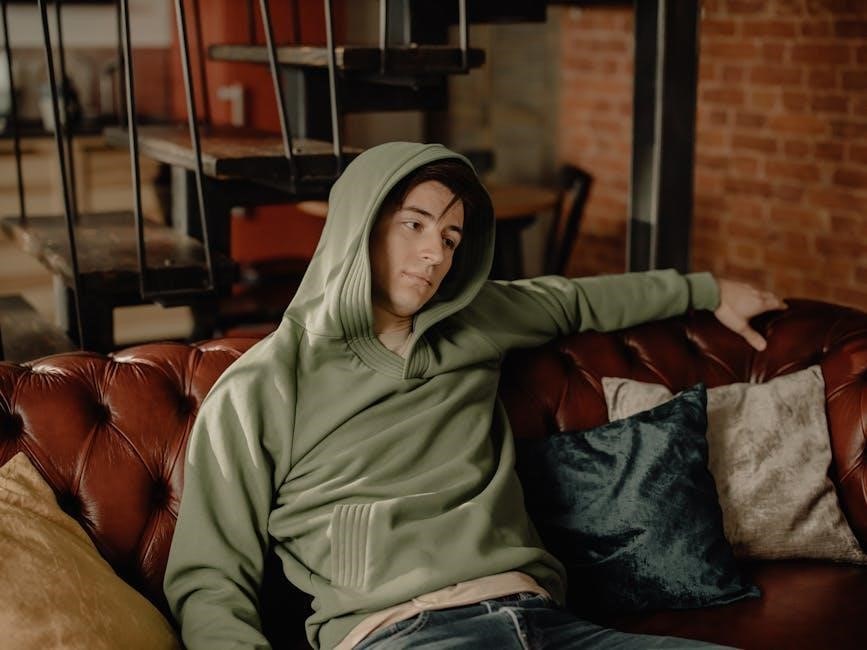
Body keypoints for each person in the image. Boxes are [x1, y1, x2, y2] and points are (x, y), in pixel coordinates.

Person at [164, 142, 785, 649]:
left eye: (451, 238)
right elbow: (209, 583)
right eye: (414, 224)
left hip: (546, 621)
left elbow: (577, 301)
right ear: (360, 227)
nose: (434, 254)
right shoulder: (259, 388)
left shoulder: (477, 319)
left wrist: (708, 289)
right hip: (401, 631)